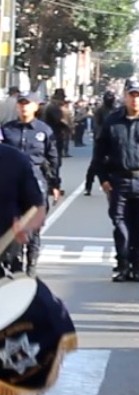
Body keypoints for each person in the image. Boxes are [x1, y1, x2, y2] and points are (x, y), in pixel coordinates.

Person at [92, 79, 139, 282]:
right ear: (124, 96)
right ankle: (123, 263)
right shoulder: (113, 121)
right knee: (120, 225)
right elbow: (99, 152)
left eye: (138, 95)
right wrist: (103, 179)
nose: (134, 100)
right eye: (131, 95)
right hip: (119, 181)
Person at [0, 143, 47, 395]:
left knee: (4, 352)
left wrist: (24, 227)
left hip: (3, 267)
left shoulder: (13, 159)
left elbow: (37, 207)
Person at [1, 92, 62, 276]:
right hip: (13, 183)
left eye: (27, 104)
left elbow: (53, 159)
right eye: (21, 104)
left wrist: (55, 184)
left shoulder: (44, 130)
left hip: (37, 182)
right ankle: (15, 261)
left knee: (33, 228)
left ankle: (32, 265)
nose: (24, 107)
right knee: (14, 224)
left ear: (36, 107)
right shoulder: (7, 129)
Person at [85, 91, 117, 196]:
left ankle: (113, 185)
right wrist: (99, 136)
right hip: (101, 139)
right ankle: (88, 186)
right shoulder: (100, 110)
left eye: (111, 97)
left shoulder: (116, 110)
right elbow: (96, 124)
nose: (110, 99)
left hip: (114, 140)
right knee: (95, 164)